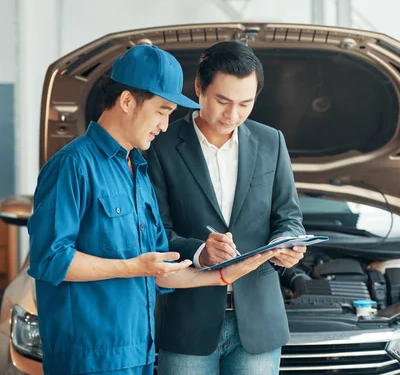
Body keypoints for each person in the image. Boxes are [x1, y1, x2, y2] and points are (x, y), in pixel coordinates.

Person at [27, 45, 281, 375]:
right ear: (128, 101)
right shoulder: (72, 166)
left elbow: (160, 268)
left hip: (140, 353)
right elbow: (49, 258)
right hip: (89, 357)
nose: (164, 125)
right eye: (161, 111)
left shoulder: (139, 171)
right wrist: (134, 267)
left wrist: (222, 275)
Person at [147, 41, 306, 375]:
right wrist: (201, 252)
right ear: (199, 88)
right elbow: (155, 232)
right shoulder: (159, 145)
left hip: (259, 321)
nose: (233, 115)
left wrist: (289, 242)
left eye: (245, 103)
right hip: (186, 321)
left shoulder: (271, 142)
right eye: (222, 100)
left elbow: (288, 217)